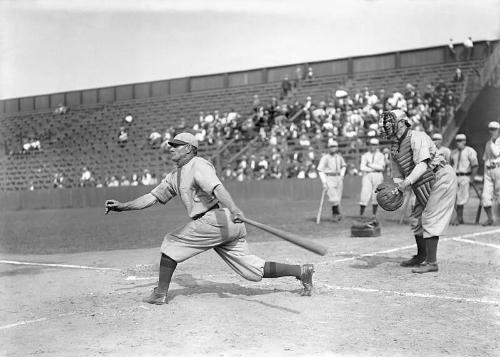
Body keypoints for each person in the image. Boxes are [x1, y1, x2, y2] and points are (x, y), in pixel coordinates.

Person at [105, 132, 315, 305]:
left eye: (176, 145)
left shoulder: (198, 165)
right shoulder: (174, 176)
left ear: (189, 148)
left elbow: (216, 187)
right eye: (171, 145)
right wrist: (123, 207)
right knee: (252, 271)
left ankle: (160, 293)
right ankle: (301, 271)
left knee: (171, 242)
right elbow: (152, 198)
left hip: (215, 219)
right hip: (224, 224)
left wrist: (233, 207)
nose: (171, 148)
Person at [378, 109, 457, 273]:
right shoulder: (394, 148)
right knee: (415, 217)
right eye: (385, 121)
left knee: (430, 216)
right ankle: (421, 256)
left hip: (440, 175)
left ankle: (432, 262)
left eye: (390, 121)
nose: (386, 124)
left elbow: (422, 164)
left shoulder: (417, 137)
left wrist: (405, 184)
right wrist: (392, 188)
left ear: (402, 123)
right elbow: (398, 175)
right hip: (422, 181)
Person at [449, 134, 478, 225]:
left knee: (461, 198)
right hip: (454, 176)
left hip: (465, 176)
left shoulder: (470, 151)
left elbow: (475, 165)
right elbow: (450, 165)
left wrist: (472, 178)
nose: (459, 142)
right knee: (453, 198)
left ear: (465, 141)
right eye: (457, 140)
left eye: (461, 140)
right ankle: (458, 217)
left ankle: (459, 218)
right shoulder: (453, 152)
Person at [317, 140, 346, 222]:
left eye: (335, 146)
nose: (333, 148)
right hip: (329, 177)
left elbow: (343, 166)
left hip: (338, 177)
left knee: (338, 198)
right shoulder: (325, 158)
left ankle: (335, 215)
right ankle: (337, 214)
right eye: (331, 146)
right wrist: (324, 182)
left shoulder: (339, 157)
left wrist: (342, 175)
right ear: (329, 148)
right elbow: (320, 170)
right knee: (334, 198)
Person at [359, 138, 385, 216]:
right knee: (364, 193)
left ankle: (374, 215)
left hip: (378, 175)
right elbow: (362, 167)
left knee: (376, 194)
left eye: (374, 145)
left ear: (377, 146)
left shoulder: (381, 155)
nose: (372, 146)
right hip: (367, 175)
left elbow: (381, 167)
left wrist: (369, 165)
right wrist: (374, 167)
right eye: (371, 144)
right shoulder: (365, 155)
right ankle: (361, 215)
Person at [481, 121, 500, 226]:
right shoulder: (488, 143)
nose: (492, 131)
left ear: (498, 130)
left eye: (494, 129)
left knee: (499, 195)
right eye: (490, 129)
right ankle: (490, 218)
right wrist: (484, 175)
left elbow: (497, 153)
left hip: (498, 169)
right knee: (485, 197)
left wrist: (492, 141)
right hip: (488, 170)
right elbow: (485, 159)